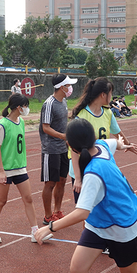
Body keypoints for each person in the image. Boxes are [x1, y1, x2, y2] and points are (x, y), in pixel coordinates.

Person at [34, 119, 137, 273]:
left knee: (128, 272)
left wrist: (50, 227)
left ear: (71, 147)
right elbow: (114, 142)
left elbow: (81, 212)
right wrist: (123, 145)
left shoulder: (92, 174)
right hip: (99, 224)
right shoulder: (100, 145)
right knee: (78, 268)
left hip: (123, 225)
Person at [0, 93, 53, 244]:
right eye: (25, 106)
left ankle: (35, 231)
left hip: (19, 167)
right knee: (1, 201)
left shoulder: (21, 122)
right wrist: (2, 171)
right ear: (18, 107)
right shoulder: (2, 124)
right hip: (4, 169)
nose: (27, 109)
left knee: (28, 198)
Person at [70, 77, 137, 200]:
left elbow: (117, 133)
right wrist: (78, 178)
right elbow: (74, 151)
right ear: (103, 95)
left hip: (100, 165)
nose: (112, 96)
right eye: (110, 93)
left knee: (101, 206)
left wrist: (128, 145)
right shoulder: (81, 117)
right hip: (83, 168)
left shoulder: (107, 113)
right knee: (86, 209)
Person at [39, 73, 76, 224]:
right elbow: (45, 128)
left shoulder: (64, 101)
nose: (70, 88)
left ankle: (57, 211)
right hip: (51, 149)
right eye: (68, 85)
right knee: (50, 183)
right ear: (62, 87)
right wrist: (63, 137)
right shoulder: (49, 104)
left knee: (62, 180)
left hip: (63, 149)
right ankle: (48, 216)